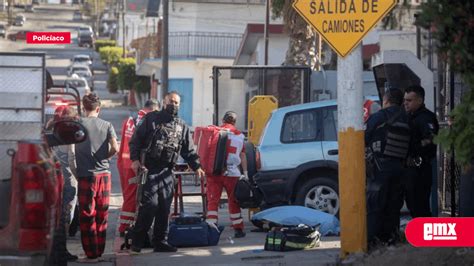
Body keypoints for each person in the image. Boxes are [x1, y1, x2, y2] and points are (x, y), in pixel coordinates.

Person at [129, 91, 205, 253]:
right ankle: (137, 241)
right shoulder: (151, 119)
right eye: (171, 101)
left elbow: (188, 151)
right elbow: (135, 140)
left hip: (167, 172)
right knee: (150, 205)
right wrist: (135, 160)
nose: (174, 105)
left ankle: (160, 241)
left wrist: (197, 166)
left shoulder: (182, 126)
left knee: (164, 208)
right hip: (150, 170)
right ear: (164, 102)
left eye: (177, 102)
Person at [74, 93, 119, 262]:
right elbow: (115, 147)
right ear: (98, 109)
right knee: (102, 213)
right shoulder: (107, 125)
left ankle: (91, 254)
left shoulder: (78, 124)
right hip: (104, 175)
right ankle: (99, 250)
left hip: (86, 175)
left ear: (84, 109)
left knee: (87, 215)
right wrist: (104, 157)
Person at [365, 88, 411, 246]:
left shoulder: (379, 117)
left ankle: (372, 240)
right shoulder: (408, 118)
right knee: (394, 205)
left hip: (380, 168)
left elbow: (364, 138)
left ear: (386, 101)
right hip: (401, 168)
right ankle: (392, 238)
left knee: (374, 205)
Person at [117, 99, 160, 236]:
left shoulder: (130, 120)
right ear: (154, 109)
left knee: (128, 196)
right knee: (133, 197)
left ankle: (130, 224)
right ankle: (125, 227)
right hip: (135, 165)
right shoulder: (147, 120)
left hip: (124, 164)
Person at [206, 111, 248, 238]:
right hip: (233, 173)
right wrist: (245, 173)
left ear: (223, 120)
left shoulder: (215, 132)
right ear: (235, 122)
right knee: (233, 201)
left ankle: (211, 228)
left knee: (213, 200)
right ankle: (238, 229)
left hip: (216, 172)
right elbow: (243, 155)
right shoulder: (240, 136)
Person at [48, 106, 80, 264]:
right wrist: (78, 176)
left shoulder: (50, 128)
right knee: (67, 213)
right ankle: (62, 249)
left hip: (52, 177)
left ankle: (55, 248)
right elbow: (72, 157)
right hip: (67, 178)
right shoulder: (68, 133)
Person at [403, 85, 439, 218]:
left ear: (419, 100)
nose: (405, 103)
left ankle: (426, 236)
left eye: (409, 100)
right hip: (410, 168)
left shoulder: (425, 118)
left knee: (420, 205)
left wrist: (416, 148)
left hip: (420, 168)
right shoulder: (409, 116)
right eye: (405, 100)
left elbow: (430, 139)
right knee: (412, 203)